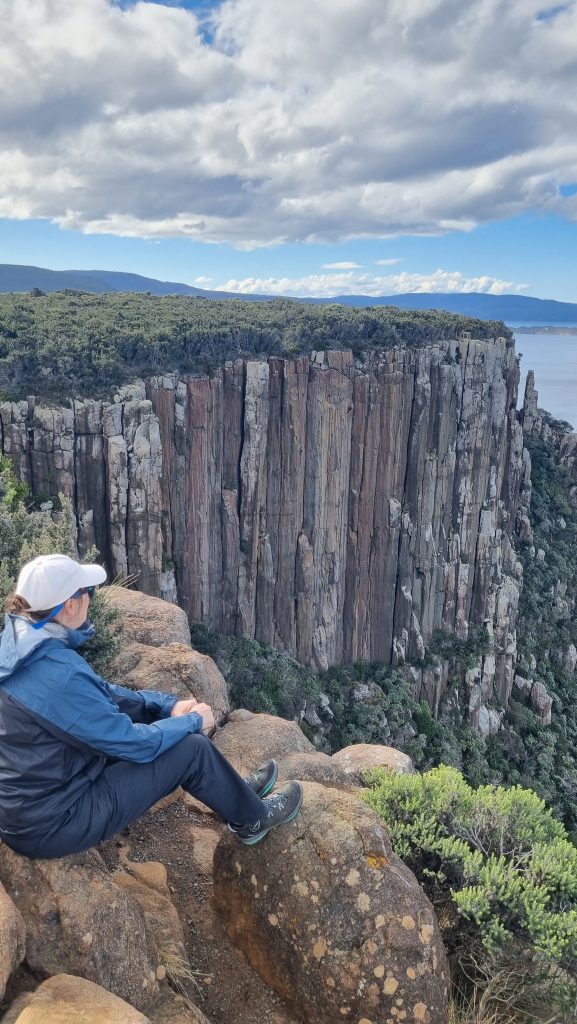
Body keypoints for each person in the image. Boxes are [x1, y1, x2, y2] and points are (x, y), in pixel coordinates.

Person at [0, 554, 302, 859]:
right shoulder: (59, 674)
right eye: (88, 592)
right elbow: (133, 744)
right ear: (70, 604)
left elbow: (100, 696)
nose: (91, 598)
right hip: (53, 823)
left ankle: (233, 791)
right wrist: (192, 721)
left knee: (171, 734)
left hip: (36, 801)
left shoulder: (22, 644)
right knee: (192, 750)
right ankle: (252, 819)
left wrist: (166, 707)